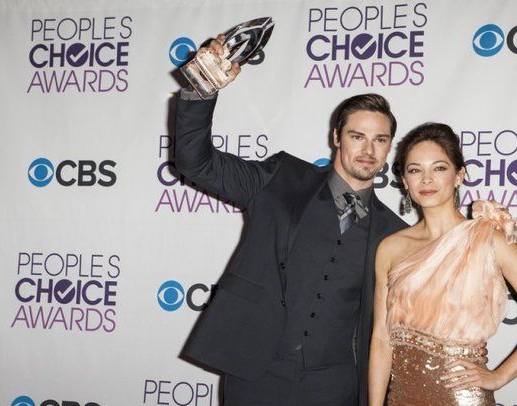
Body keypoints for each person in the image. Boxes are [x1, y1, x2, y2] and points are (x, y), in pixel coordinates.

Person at [174, 35, 407, 405]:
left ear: (389, 147)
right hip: (257, 375)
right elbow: (196, 163)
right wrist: (202, 86)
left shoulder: (395, 233)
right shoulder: (280, 179)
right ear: (337, 137)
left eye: (380, 139)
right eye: (357, 136)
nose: (368, 149)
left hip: (337, 386)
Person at [368, 123, 517, 405]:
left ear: (459, 175)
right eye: (415, 170)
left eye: (439, 168)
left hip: (462, 397)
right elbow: (381, 339)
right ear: (404, 180)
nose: (427, 179)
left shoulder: (489, 239)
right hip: (401, 397)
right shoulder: (390, 248)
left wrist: (499, 376)